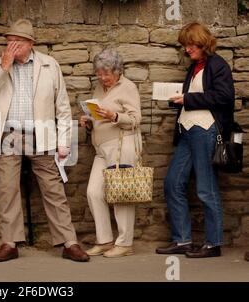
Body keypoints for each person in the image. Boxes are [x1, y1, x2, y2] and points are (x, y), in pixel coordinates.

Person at [0, 19, 89, 262]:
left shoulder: (49, 65)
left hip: (42, 134)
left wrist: (64, 142)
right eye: (9, 41)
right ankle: (9, 243)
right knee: (7, 190)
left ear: (30, 43)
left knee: (53, 188)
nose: (12, 45)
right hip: (9, 136)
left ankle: (69, 243)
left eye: (17, 41)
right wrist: (2, 67)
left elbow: (62, 107)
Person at [156, 22, 235, 258]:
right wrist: (178, 100)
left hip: (205, 131)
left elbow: (224, 97)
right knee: (172, 183)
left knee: (205, 188)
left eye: (190, 44)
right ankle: (183, 240)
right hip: (187, 131)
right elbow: (195, 97)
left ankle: (213, 243)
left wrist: (188, 99)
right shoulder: (194, 67)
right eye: (185, 46)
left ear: (201, 42)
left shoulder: (218, 65)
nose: (187, 49)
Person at [79, 49, 142, 258]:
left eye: (106, 73)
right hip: (102, 149)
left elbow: (135, 120)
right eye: (99, 73)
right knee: (93, 192)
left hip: (121, 146)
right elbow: (98, 118)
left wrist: (114, 115)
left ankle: (125, 244)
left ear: (117, 71)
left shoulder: (128, 87)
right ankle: (104, 240)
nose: (102, 78)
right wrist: (89, 122)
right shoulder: (100, 88)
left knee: (121, 194)